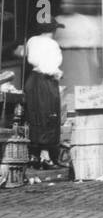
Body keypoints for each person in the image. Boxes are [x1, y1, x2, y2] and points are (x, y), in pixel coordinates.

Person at [23, 22, 63, 166]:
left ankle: (34, 153)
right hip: (46, 82)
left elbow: (31, 59)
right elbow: (50, 67)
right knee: (49, 114)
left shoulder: (32, 41)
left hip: (32, 81)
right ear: (52, 30)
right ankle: (45, 154)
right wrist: (58, 73)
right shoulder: (52, 44)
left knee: (34, 113)